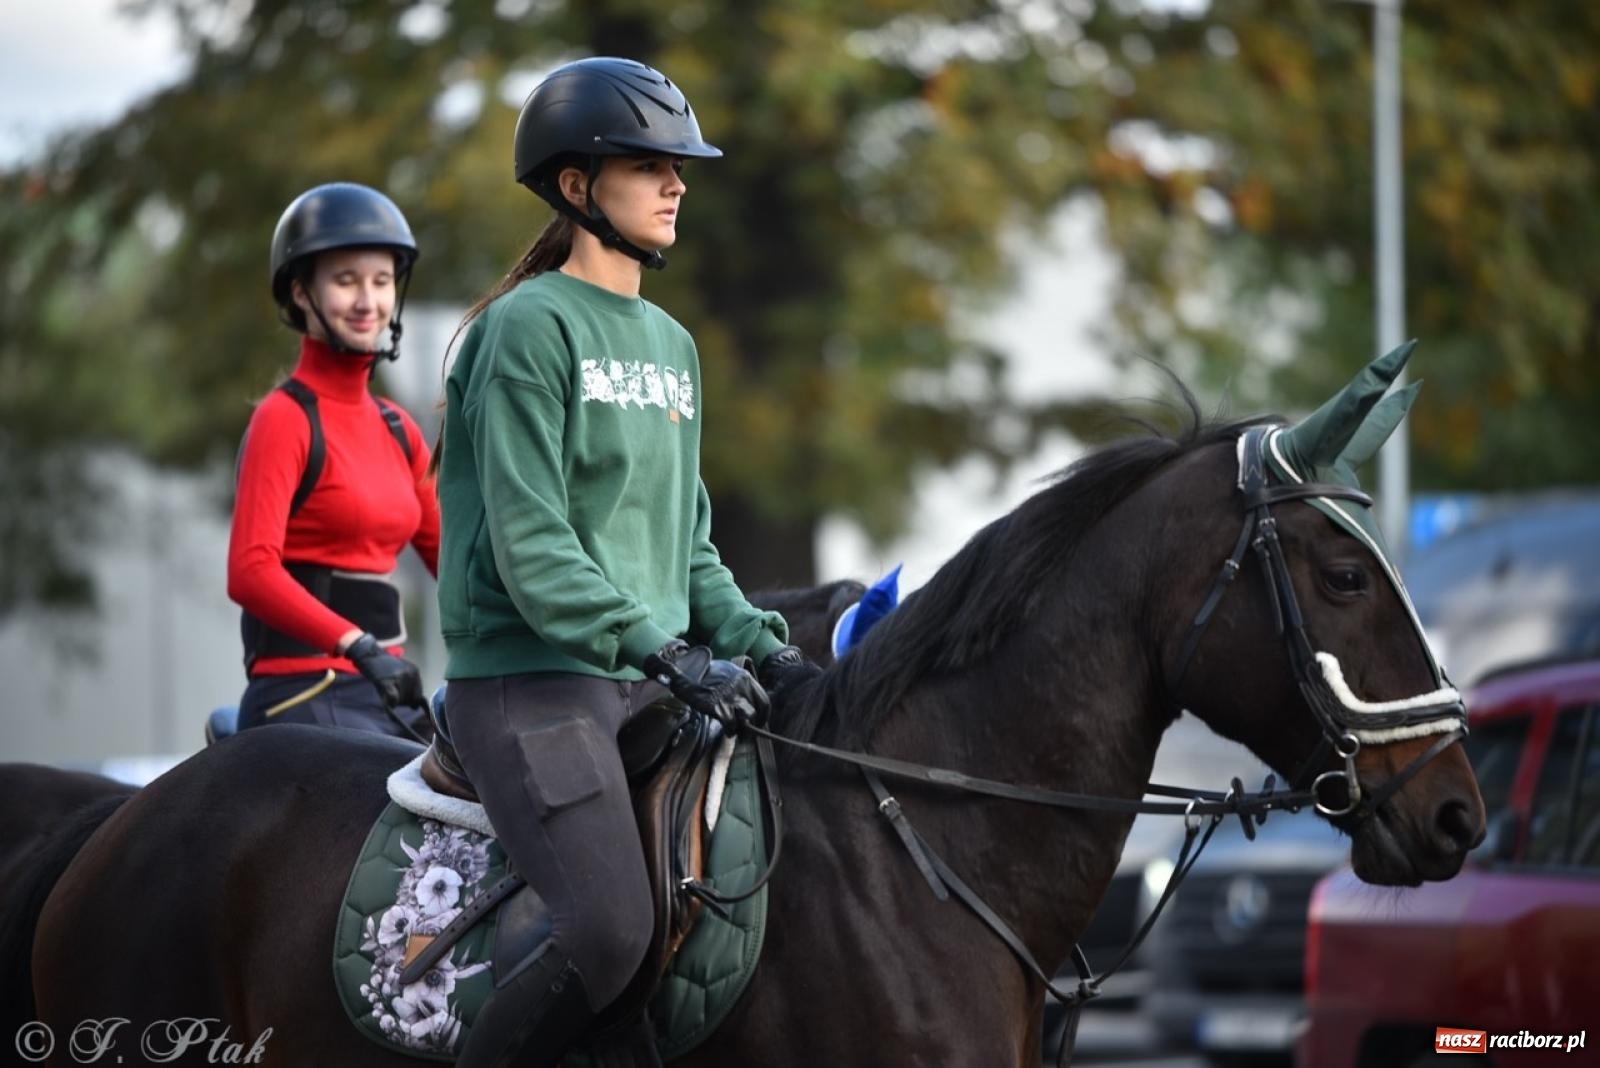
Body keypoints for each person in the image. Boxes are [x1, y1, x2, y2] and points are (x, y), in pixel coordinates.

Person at [433, 57, 820, 1067]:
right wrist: (666, 651)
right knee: (611, 933)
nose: (676, 183)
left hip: (643, 677)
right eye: (648, 164)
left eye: (678, 165)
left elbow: (684, 541)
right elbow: (531, 544)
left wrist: (759, 647)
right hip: (532, 686)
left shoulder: (673, 345)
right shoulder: (523, 331)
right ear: (576, 186)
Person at [227, 182, 440, 738]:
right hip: (303, 688)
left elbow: (458, 558)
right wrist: (357, 645)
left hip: (390, 692)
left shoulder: (399, 428)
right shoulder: (284, 418)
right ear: (301, 293)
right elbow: (250, 573)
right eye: (346, 282)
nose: (368, 301)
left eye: (381, 281)